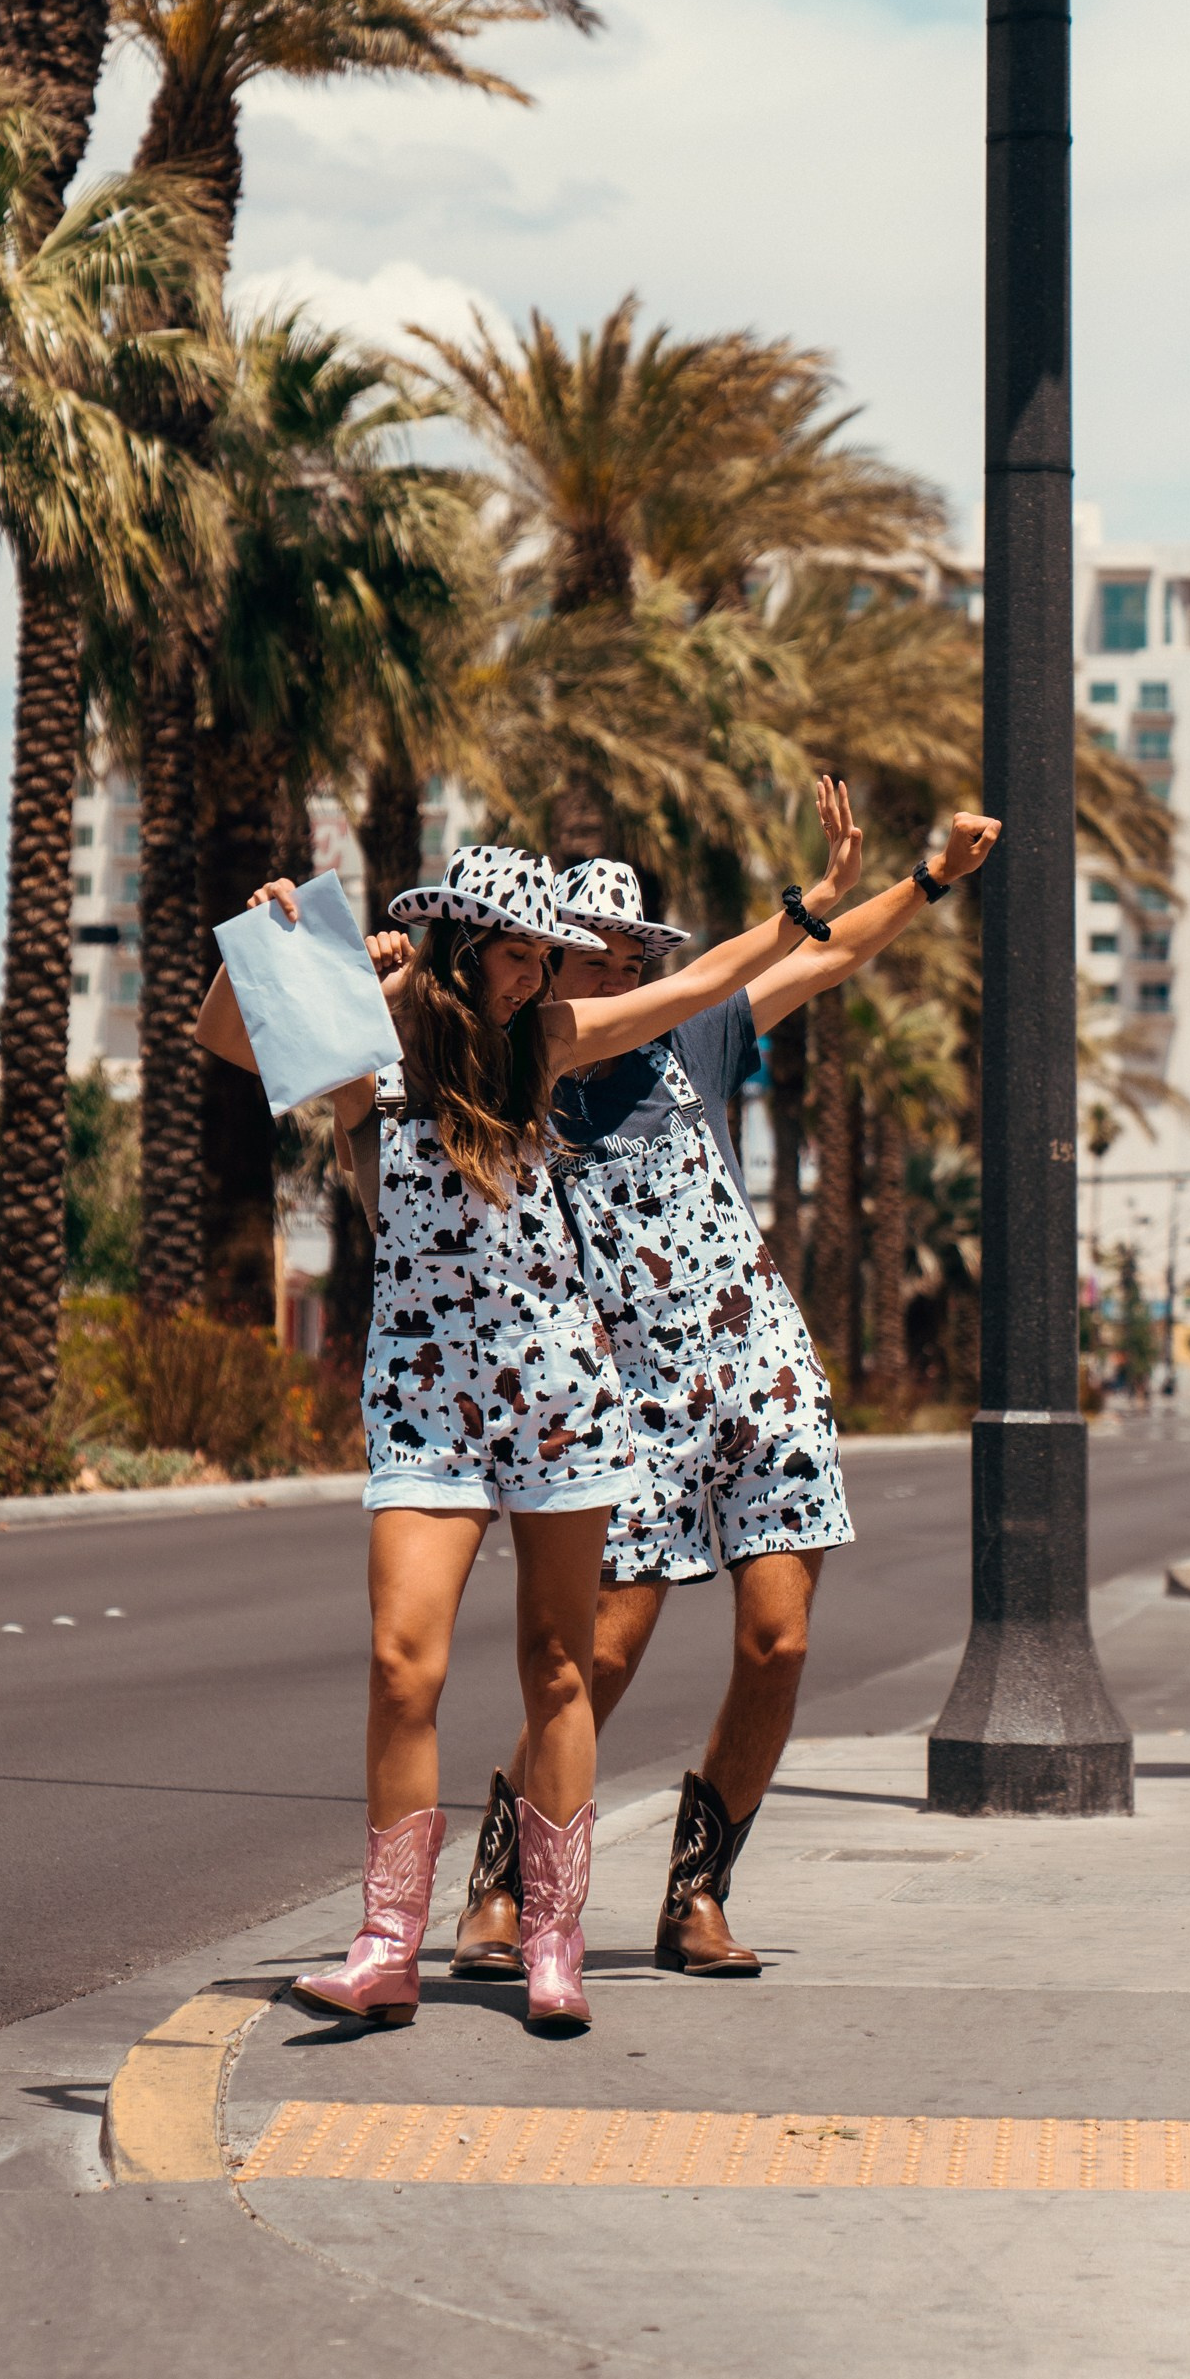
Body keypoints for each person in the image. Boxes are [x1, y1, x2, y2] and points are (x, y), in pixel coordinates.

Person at [195, 795, 867, 2036]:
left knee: (564, 1666)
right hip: (423, 1403)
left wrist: (810, 902)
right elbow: (227, 1039)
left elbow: (706, 982)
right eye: (517, 950)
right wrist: (268, 936)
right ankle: (388, 1942)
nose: (534, 971)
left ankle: (552, 1937)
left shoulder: (547, 1043)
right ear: (462, 949)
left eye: (540, 954)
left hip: (559, 1394)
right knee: (405, 1664)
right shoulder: (369, 1053)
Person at [451, 811, 1004, 1981]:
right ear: (549, 961)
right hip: (619, 1391)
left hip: (757, 1365)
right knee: (600, 1655)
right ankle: (506, 1877)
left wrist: (927, 878)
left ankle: (696, 1891)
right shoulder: (517, 1074)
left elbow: (829, 955)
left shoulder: (694, 1037)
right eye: (598, 952)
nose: (624, 970)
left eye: (634, 954)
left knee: (780, 1638)